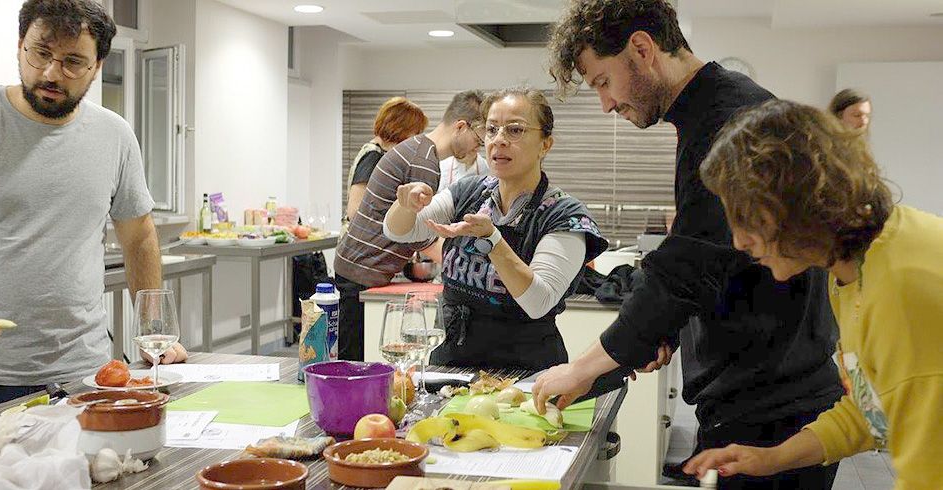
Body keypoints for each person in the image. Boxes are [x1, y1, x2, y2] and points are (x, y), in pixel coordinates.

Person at [531, 1, 844, 488]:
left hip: (773, 404)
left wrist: (581, 369)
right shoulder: (709, 111)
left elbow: (690, 264)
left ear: (641, 48)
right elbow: (724, 259)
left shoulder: (728, 120)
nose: (606, 104)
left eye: (602, 82)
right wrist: (667, 332)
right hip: (764, 390)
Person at [685, 99, 943, 490]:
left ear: (796, 200)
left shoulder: (901, 288)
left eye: (745, 215)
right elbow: (871, 411)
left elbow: (929, 473)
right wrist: (771, 458)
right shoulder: (850, 272)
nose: (738, 240)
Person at [0, 0, 186, 412]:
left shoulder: (114, 135)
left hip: (86, 372)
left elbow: (138, 236)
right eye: (41, 53)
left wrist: (154, 329)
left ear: (97, 66)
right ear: (19, 46)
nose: (51, 73)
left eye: (72, 62)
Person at [383, 87, 608, 370]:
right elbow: (400, 231)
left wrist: (493, 239)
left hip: (524, 377)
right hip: (452, 368)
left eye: (515, 130)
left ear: (545, 144)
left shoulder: (564, 215)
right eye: (491, 130)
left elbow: (538, 301)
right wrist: (406, 204)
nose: (499, 140)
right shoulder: (470, 192)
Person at [334, 90, 485, 361]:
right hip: (361, 272)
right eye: (479, 139)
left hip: (356, 268)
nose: (479, 147)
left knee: (353, 353)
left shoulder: (419, 150)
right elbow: (420, 232)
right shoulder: (424, 163)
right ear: (461, 126)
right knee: (354, 361)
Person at [343, 97, 428, 228]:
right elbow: (354, 210)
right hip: (361, 241)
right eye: (415, 132)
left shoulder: (380, 153)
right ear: (400, 127)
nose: (416, 138)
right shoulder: (373, 156)